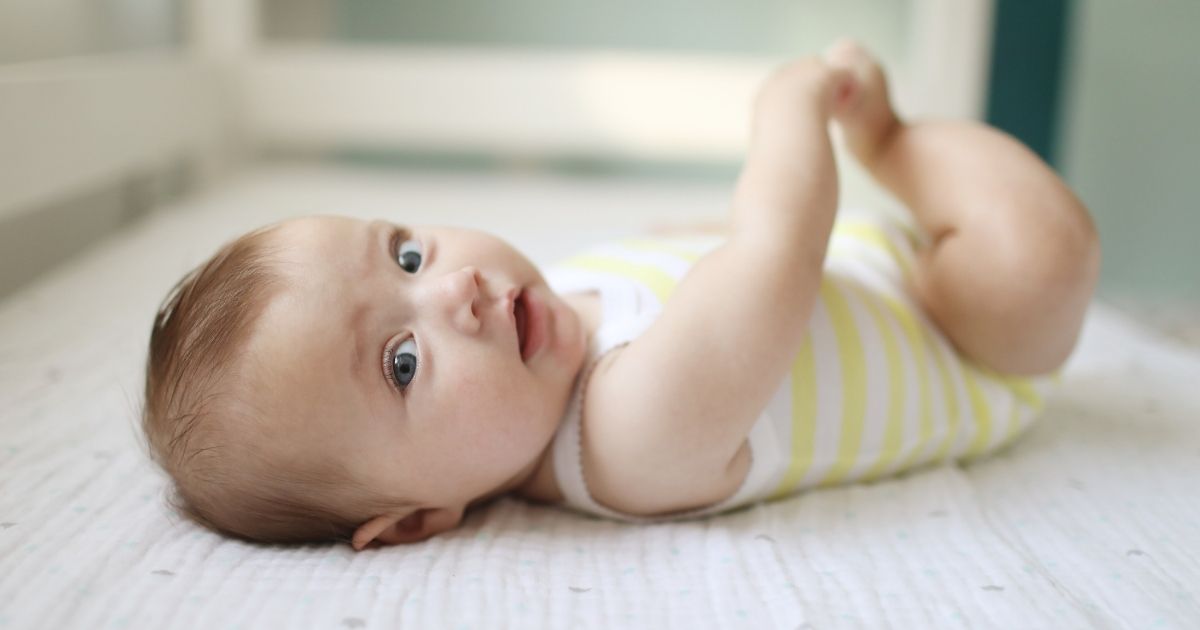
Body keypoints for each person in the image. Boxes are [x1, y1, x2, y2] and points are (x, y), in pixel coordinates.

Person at [141, 41, 1099, 549]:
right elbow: (775, 252)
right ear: (417, 519)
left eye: (404, 255)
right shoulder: (628, 437)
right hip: (966, 339)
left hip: (870, 260)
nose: (456, 293)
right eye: (401, 363)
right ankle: (887, 140)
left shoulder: (548, 311)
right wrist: (790, 114)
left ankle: (902, 156)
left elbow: (686, 257)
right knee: (1042, 255)